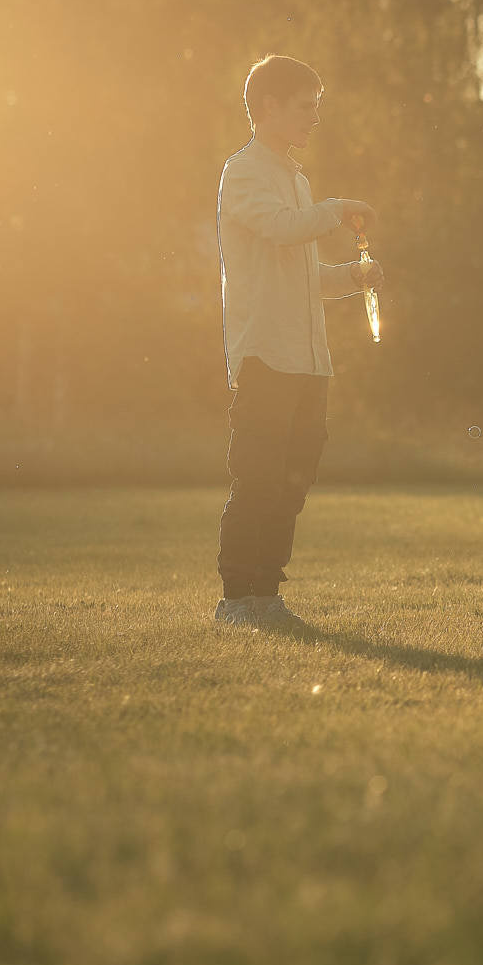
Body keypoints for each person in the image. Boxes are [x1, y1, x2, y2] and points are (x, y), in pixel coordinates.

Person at [212, 54, 384, 632]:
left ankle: (267, 593)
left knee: (293, 481)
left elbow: (302, 272)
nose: (315, 117)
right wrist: (336, 210)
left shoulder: (297, 179)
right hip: (265, 353)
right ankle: (237, 598)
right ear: (269, 107)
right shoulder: (243, 172)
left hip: (309, 359)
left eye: (317, 106)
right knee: (258, 478)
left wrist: (351, 276)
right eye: (305, 106)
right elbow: (282, 229)